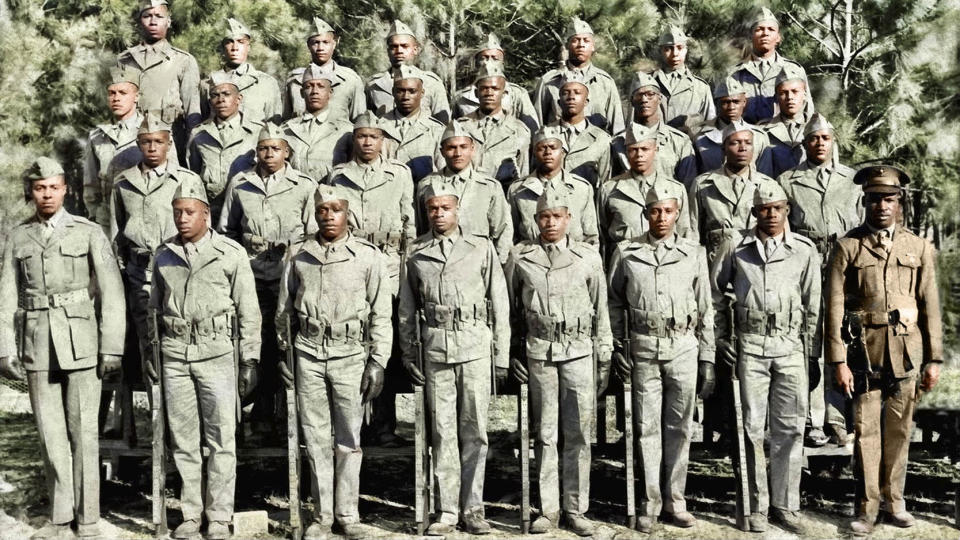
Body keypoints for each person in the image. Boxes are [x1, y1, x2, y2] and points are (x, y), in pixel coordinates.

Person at [0, 157, 125, 540]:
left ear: (66, 188)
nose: (47, 194)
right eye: (40, 188)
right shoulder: (19, 237)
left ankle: (87, 520)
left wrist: (112, 347)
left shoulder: (88, 232)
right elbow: (6, 295)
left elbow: (113, 293)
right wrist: (5, 349)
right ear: (31, 192)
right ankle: (59, 518)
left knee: (84, 431)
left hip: (82, 342)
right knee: (50, 433)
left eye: (53, 187)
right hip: (37, 343)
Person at [826, 165, 943, 535]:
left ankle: (896, 502)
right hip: (865, 354)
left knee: (899, 431)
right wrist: (838, 360)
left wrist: (934, 358)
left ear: (900, 202)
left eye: (889, 199)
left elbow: (930, 305)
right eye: (875, 199)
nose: (882, 206)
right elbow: (833, 307)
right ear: (865, 202)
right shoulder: (847, 247)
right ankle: (866, 508)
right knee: (865, 433)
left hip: (907, 354)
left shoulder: (918, 247)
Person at [276, 184, 391, 540]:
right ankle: (322, 515)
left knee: (348, 438)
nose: (328, 216)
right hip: (308, 351)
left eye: (336, 209)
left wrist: (378, 361)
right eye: (322, 210)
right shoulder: (298, 254)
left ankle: (348, 513)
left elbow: (381, 314)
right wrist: (285, 352)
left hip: (350, 353)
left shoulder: (368, 257)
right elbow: (284, 310)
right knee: (314, 437)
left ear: (348, 214)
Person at [149, 175, 261, 540]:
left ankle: (219, 516)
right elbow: (152, 310)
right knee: (183, 440)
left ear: (206, 215)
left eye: (189, 212)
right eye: (177, 212)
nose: (182, 219)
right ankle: (191, 515)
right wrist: (152, 351)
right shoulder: (163, 255)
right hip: (176, 355)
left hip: (217, 354)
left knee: (221, 439)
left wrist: (249, 360)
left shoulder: (231, 253)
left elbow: (249, 312)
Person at [398, 183, 510, 535]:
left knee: (475, 430)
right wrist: (408, 351)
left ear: (457, 210)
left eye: (445, 207)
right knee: (442, 432)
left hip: (475, 345)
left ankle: (474, 508)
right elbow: (406, 308)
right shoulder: (416, 252)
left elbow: (500, 304)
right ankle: (447, 510)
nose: (438, 214)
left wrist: (502, 355)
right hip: (435, 348)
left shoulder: (480, 247)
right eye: (432, 208)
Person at [711, 182, 821, 534]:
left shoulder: (803, 250)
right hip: (750, 345)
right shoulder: (736, 247)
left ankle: (786, 505)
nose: (770, 215)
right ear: (754, 212)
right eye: (763, 209)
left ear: (787, 209)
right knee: (751, 429)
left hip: (789, 345)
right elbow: (714, 294)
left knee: (790, 428)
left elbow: (813, 304)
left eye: (777, 208)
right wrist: (720, 337)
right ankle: (754, 505)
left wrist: (813, 353)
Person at [608, 182, 714, 533]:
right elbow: (614, 302)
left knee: (680, 427)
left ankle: (676, 500)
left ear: (678, 213)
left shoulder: (693, 252)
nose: (662, 217)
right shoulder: (627, 252)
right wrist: (619, 345)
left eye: (668, 211)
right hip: (642, 345)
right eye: (655, 211)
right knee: (646, 428)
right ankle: (650, 502)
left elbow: (706, 307)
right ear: (646, 213)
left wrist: (707, 356)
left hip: (683, 345)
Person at [505, 186, 611, 537]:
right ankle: (548, 509)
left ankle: (576, 508)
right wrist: (514, 352)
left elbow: (602, 313)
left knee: (579, 433)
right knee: (545, 433)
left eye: (556, 217)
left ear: (569, 219)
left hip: (580, 351)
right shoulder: (521, 258)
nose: (550, 223)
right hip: (540, 352)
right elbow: (513, 313)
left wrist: (604, 356)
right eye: (543, 217)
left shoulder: (588, 258)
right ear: (535, 221)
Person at [218, 123, 318, 440]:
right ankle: (261, 414)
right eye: (263, 149)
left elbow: (313, 232)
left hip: (289, 275)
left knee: (289, 342)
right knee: (257, 344)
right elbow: (227, 232)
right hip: (252, 274)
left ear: (287, 152)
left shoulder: (303, 185)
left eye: (275, 148)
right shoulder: (241, 184)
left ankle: (291, 416)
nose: (269, 154)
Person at [326, 111, 415, 448]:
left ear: (383, 141)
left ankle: (383, 425)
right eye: (361, 136)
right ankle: (351, 425)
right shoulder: (339, 176)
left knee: (383, 347)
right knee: (352, 344)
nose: (367, 142)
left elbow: (411, 225)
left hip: (390, 266)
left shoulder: (399, 175)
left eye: (373, 137)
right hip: (352, 264)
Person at [778, 114, 862, 447]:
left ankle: (838, 417)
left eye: (825, 138)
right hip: (807, 262)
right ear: (805, 144)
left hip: (844, 263)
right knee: (809, 338)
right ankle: (811, 419)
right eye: (813, 139)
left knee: (842, 337)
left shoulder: (851, 179)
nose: (819, 144)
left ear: (833, 141)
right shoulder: (789, 179)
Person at [110, 112, 197, 383]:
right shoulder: (124, 182)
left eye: (158, 141)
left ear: (169, 144)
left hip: (176, 270)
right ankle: (156, 412)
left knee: (178, 340)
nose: (152, 147)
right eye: (146, 142)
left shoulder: (187, 180)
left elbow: (199, 228)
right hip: (139, 274)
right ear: (138, 144)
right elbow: (117, 232)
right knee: (148, 342)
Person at [415, 122, 513, 263]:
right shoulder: (427, 185)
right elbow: (422, 227)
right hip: (439, 260)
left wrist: (499, 263)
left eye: (463, 147)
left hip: (479, 261)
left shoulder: (489, 186)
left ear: (472, 149)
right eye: (451, 148)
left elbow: (503, 229)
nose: (457, 153)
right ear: (442, 151)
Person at [116, 0, 201, 157]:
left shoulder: (183, 60)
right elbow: (117, 105)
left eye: (159, 16)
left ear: (168, 21)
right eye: (147, 16)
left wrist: (192, 150)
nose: (153, 21)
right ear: (139, 21)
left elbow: (192, 111)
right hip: (131, 140)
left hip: (170, 142)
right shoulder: (124, 59)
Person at [689, 120, 777, 260]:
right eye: (735, 143)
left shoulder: (768, 185)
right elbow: (692, 230)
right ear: (723, 148)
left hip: (755, 261)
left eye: (748, 143)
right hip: (715, 260)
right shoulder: (703, 184)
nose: (742, 148)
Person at [187, 71, 263, 222]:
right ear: (210, 102)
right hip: (212, 211)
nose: (221, 99)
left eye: (226, 94)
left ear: (238, 99)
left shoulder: (257, 131)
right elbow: (193, 173)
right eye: (215, 95)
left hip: (246, 210)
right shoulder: (198, 134)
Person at [600, 123, 692, 247]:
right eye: (633, 150)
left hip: (666, 260)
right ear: (626, 152)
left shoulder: (676, 189)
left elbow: (685, 232)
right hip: (627, 259)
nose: (639, 155)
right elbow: (602, 234)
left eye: (644, 149)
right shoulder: (610, 189)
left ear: (656, 149)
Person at [533, 16, 624, 139]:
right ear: (567, 45)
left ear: (593, 46)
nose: (581, 45)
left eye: (586, 40)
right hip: (559, 149)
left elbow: (617, 128)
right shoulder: (549, 81)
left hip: (595, 151)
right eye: (576, 40)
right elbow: (537, 126)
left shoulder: (605, 82)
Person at [507, 126, 599, 246]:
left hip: (572, 259)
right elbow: (510, 236)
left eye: (553, 147)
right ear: (534, 153)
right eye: (542, 148)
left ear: (562, 152)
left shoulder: (582, 188)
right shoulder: (517, 190)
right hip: (532, 259)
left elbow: (591, 238)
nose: (548, 152)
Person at [84, 66, 148, 229]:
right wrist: (94, 216)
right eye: (112, 93)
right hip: (107, 219)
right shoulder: (97, 136)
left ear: (136, 97)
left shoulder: (153, 131)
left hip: (142, 217)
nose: (116, 98)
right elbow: (91, 184)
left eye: (122, 93)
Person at [728, 6, 812, 124]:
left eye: (771, 29)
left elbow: (808, 112)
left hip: (785, 140)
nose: (765, 33)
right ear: (750, 36)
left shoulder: (794, 70)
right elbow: (723, 117)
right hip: (748, 139)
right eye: (759, 29)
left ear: (778, 37)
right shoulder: (734, 74)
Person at [456, 60, 531, 190]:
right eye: (484, 88)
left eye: (495, 88)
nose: (489, 93)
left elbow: (522, 179)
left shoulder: (519, 130)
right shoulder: (461, 127)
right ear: (476, 93)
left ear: (504, 93)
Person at [366, 20, 450, 123]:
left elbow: (443, 125)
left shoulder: (432, 83)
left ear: (415, 50)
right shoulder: (374, 85)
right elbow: (366, 123)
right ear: (388, 51)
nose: (399, 51)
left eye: (404, 46)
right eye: (394, 47)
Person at [284, 17, 366, 122]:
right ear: (308, 45)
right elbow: (286, 123)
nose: (320, 48)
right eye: (315, 42)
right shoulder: (294, 81)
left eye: (325, 42)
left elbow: (360, 121)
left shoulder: (350, 80)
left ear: (334, 44)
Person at [202, 17, 282, 124]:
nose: (235, 47)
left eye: (240, 42)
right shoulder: (208, 84)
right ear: (222, 48)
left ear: (248, 46)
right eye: (229, 42)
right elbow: (204, 125)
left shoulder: (266, 82)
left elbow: (274, 127)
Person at [453, 34, 539, 133]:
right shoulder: (461, 97)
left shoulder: (517, 94)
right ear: (476, 62)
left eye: (495, 58)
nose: (489, 62)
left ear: (502, 63)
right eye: (484, 58)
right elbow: (452, 132)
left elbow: (533, 130)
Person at [281, 68, 353, 182]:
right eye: (309, 86)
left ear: (330, 92)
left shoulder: (346, 131)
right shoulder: (287, 129)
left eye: (321, 86)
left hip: (332, 195)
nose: (315, 91)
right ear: (301, 93)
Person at [625, 72, 697, 187]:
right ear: (632, 101)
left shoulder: (679, 141)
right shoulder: (619, 141)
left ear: (659, 98)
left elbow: (688, 185)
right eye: (639, 95)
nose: (644, 99)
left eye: (650, 94)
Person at [693, 77, 772, 176]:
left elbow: (766, 175)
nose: (731, 107)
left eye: (736, 102)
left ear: (744, 102)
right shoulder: (699, 136)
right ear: (717, 104)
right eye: (725, 102)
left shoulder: (759, 136)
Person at [379, 65, 445, 182]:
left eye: (412, 91)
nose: (406, 97)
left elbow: (443, 172)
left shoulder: (436, 130)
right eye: (400, 91)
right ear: (393, 93)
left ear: (422, 93)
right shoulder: (379, 126)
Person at [548, 71, 612, 187]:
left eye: (577, 93)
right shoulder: (545, 134)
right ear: (559, 102)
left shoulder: (601, 139)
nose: (571, 97)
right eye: (566, 93)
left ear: (586, 101)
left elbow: (604, 183)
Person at [652, 26, 715, 130]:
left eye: (680, 48)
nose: (675, 54)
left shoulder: (700, 88)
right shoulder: (647, 83)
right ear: (660, 51)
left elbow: (710, 129)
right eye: (668, 49)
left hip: (688, 145)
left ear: (686, 50)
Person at [760, 66, 814, 178]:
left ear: (804, 94)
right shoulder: (762, 131)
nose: (789, 97)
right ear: (776, 97)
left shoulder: (818, 130)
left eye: (795, 91)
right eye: (783, 93)